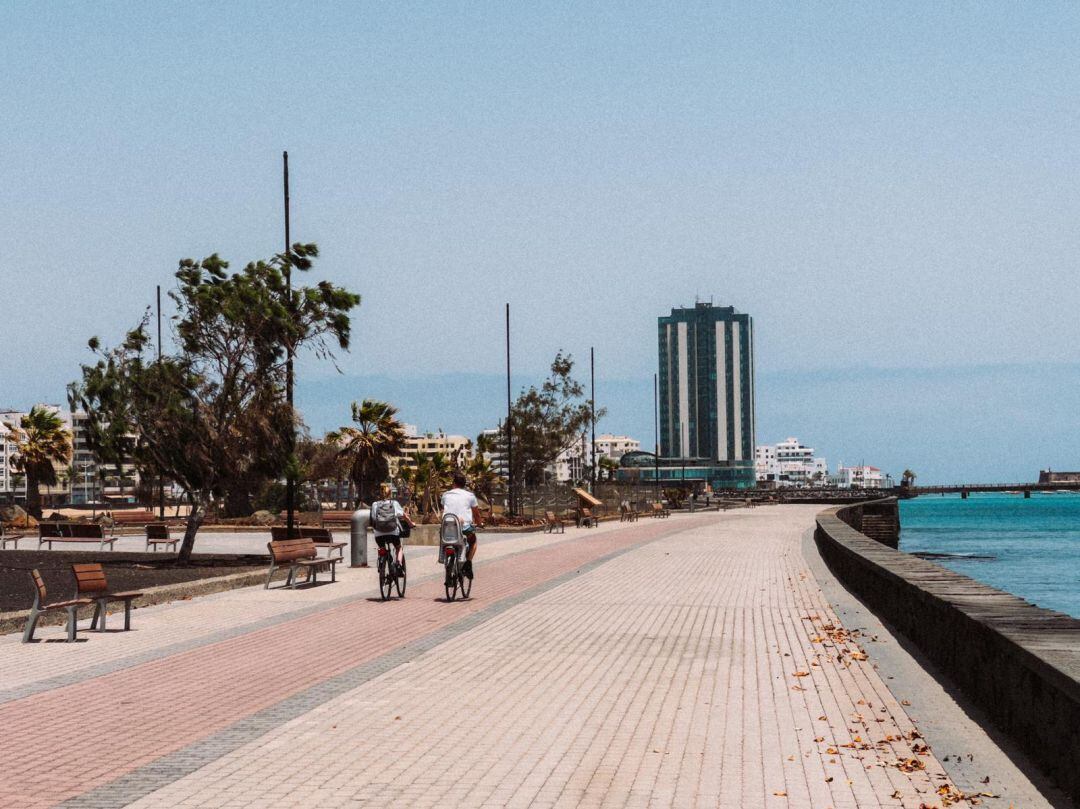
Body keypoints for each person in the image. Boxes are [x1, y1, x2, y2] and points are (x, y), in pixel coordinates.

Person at [441, 471, 482, 579]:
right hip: (464, 528)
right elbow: (476, 514)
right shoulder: (470, 496)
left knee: (446, 541)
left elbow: (444, 509)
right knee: (473, 541)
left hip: (448, 528)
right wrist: (480, 523)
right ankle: (468, 562)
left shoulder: (445, 495)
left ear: (453, 483)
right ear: (464, 485)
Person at [371, 483, 411, 577]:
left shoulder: (374, 504)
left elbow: (373, 518)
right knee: (398, 547)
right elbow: (403, 515)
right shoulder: (394, 503)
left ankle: (382, 561)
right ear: (390, 494)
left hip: (379, 533)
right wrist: (410, 523)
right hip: (392, 532)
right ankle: (398, 565)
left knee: (382, 549)